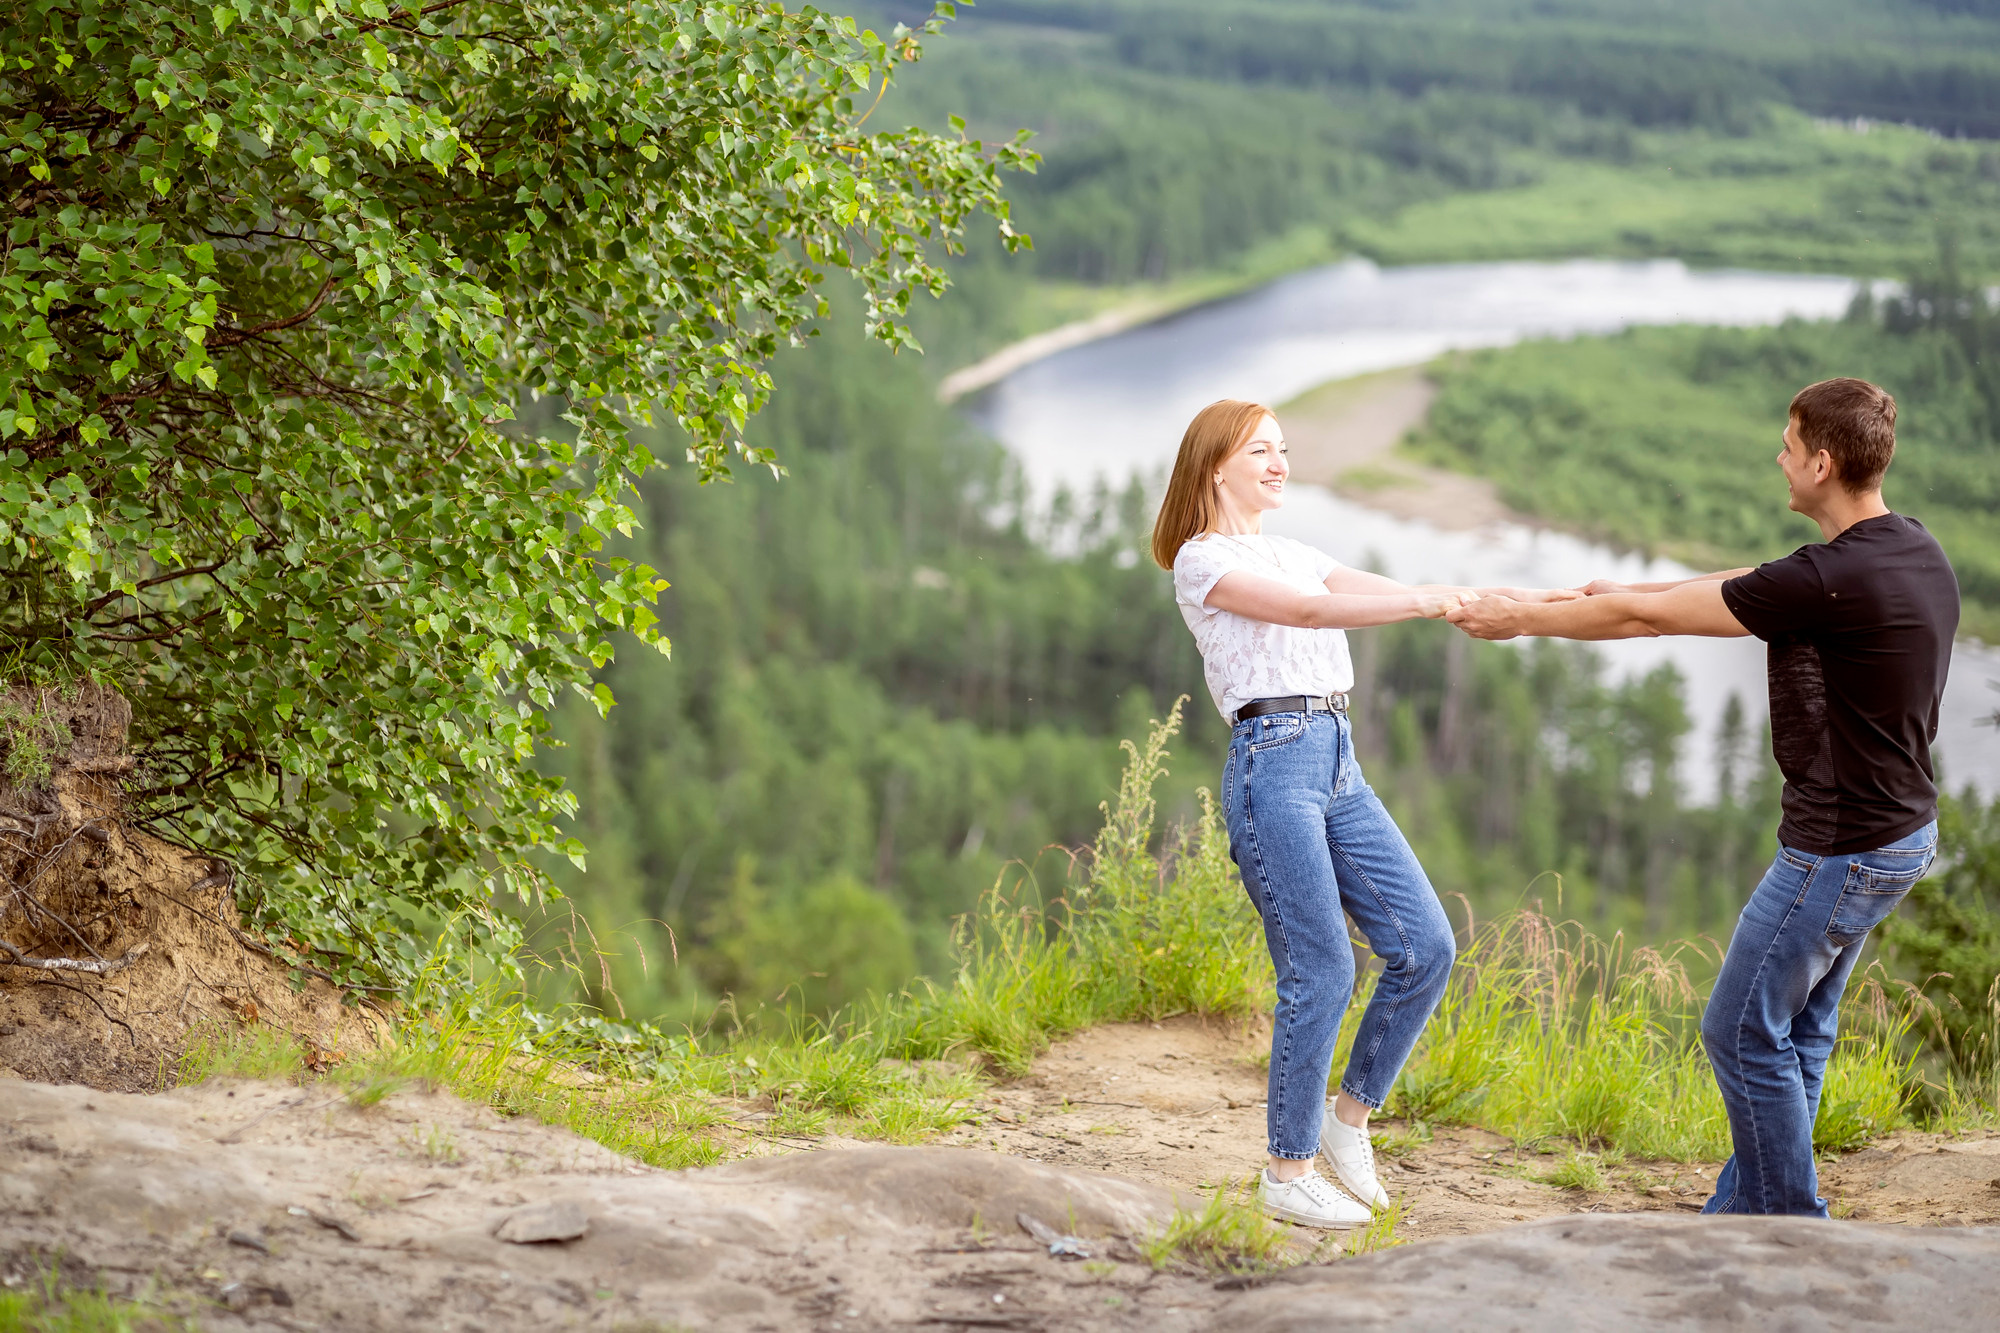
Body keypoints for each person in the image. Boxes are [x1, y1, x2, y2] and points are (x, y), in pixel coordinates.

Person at [1447, 376, 1958, 1217]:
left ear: (1823, 462)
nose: (1779, 457)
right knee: (1799, 1026)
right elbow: (1761, 577)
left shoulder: (1827, 582)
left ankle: (1789, 1226)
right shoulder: (1911, 546)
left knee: (1737, 1028)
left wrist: (1523, 617)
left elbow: (1654, 624)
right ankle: (1743, 1209)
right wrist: (1610, 592)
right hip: (1902, 835)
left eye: (1789, 446)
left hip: (1838, 848)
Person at [1153, 398, 1575, 1229]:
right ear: (1215, 467)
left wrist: (1493, 600)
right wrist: (1425, 606)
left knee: (1425, 946)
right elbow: (1310, 610)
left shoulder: (1290, 549)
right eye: (1261, 451)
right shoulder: (1202, 561)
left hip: (1337, 758)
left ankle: (1346, 1124)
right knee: (1322, 971)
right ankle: (1286, 1168)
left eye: (1284, 448)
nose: (1280, 462)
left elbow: (1379, 587)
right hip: (1272, 762)